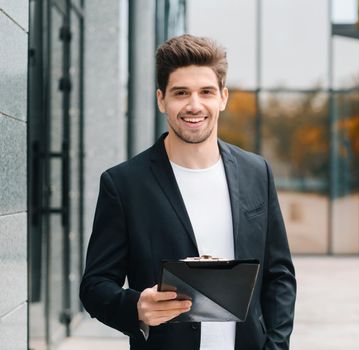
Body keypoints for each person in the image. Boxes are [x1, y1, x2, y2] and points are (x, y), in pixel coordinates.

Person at [79, 34, 296, 350]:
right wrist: (137, 307)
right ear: (161, 99)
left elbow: (279, 277)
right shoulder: (124, 184)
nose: (194, 105)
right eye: (181, 93)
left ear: (222, 97)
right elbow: (95, 286)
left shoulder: (256, 172)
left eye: (205, 92)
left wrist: (275, 346)